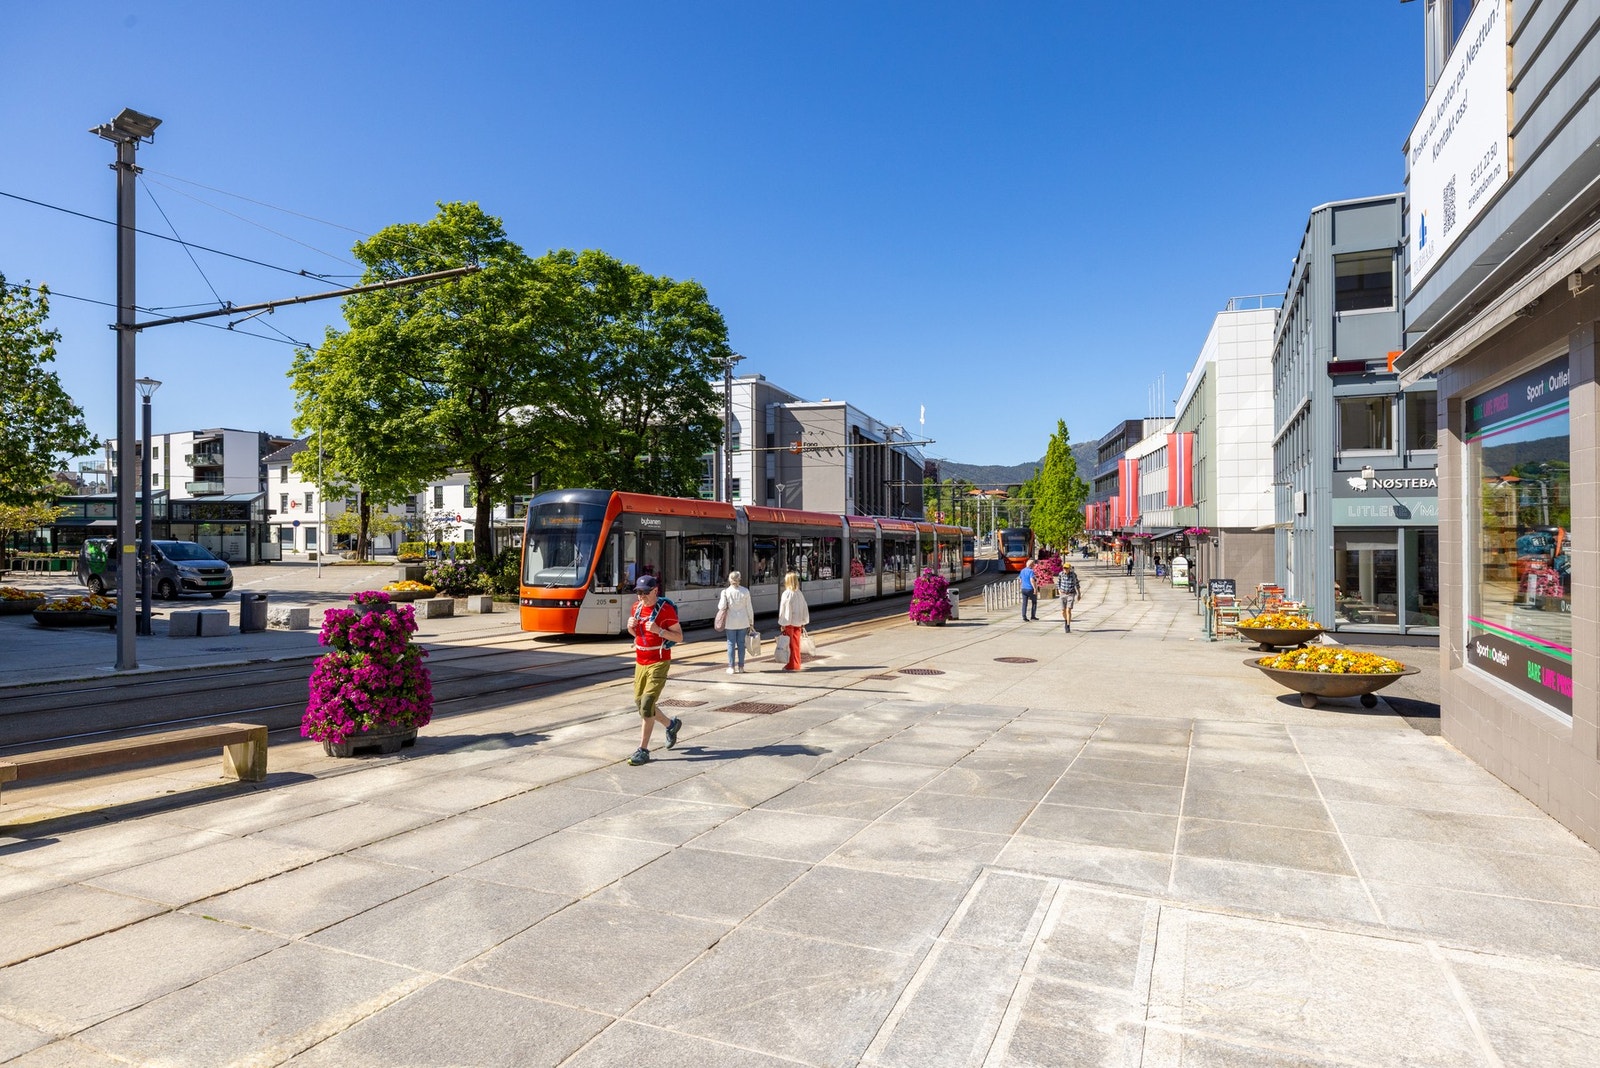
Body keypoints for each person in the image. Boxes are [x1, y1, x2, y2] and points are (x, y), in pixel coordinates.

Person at [624, 575, 684, 765]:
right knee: (640, 704)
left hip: (658, 660)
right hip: (640, 661)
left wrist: (659, 630)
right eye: (639, 593)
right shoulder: (637, 608)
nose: (641, 596)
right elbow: (638, 635)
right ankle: (671, 724)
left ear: (655, 590)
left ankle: (643, 750)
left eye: (645, 592)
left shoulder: (665, 610)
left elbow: (679, 636)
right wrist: (630, 628)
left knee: (647, 702)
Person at [718, 570, 755, 674]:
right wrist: (751, 622)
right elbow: (749, 608)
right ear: (739, 579)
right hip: (743, 622)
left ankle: (731, 667)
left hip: (730, 622)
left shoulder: (725, 592)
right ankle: (741, 667)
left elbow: (721, 607)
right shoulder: (745, 591)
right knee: (741, 644)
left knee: (730, 644)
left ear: (730, 580)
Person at [777, 571, 809, 671]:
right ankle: (797, 663)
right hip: (798, 623)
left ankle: (790, 665)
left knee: (789, 645)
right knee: (796, 645)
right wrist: (803, 621)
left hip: (789, 623)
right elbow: (804, 608)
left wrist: (783, 623)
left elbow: (785, 610)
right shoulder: (799, 593)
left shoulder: (787, 594)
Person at [1059, 562, 1081, 633]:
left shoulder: (1073, 575)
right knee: (1063, 611)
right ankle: (1066, 620)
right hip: (1063, 593)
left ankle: (1068, 625)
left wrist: (1079, 594)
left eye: (1066, 568)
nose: (1065, 569)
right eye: (1064, 568)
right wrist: (1059, 590)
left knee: (1068, 610)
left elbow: (1077, 584)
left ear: (1069, 569)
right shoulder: (1061, 574)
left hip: (1070, 594)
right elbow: (1058, 583)